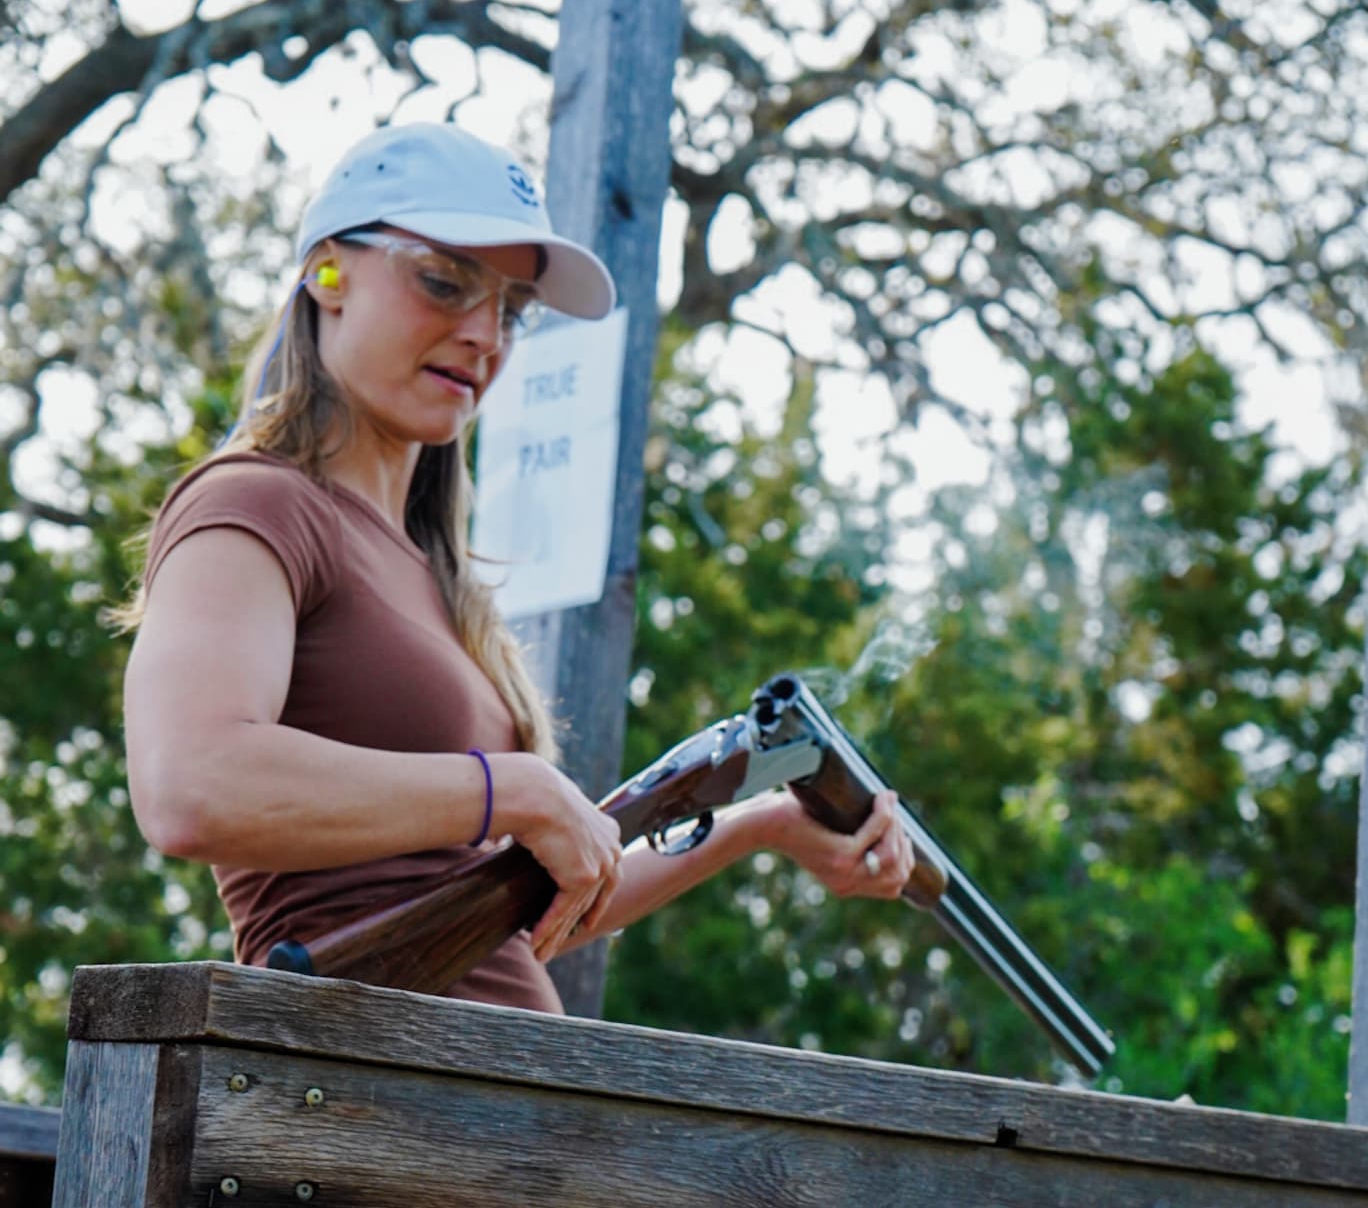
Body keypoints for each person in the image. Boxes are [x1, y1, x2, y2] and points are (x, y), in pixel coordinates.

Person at [121, 121, 914, 1014]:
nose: (483, 335)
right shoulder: (258, 504)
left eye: (509, 309)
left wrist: (761, 823)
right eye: (443, 282)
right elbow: (189, 782)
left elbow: (535, 914)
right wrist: (512, 790)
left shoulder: (432, 575)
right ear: (327, 272)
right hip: (353, 1103)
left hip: (488, 1106)